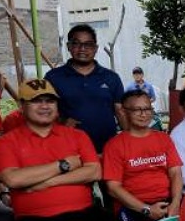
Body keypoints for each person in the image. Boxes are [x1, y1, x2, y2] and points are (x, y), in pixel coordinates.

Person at [0, 78, 126, 221]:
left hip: (84, 214)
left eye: (49, 101)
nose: (45, 106)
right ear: (21, 105)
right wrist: (63, 165)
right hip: (36, 220)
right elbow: (13, 179)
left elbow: (94, 172)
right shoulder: (5, 142)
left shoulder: (77, 135)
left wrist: (44, 182)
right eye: (36, 101)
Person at [102, 90, 182, 221]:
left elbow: (176, 173)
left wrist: (176, 202)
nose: (143, 114)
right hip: (133, 208)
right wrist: (146, 209)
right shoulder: (115, 145)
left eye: (147, 109)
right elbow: (113, 188)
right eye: (137, 110)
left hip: (167, 202)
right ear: (124, 112)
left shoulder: (163, 138)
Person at [45, 24, 127, 153]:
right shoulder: (54, 77)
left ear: (96, 48)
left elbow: (120, 111)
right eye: (76, 44)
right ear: (69, 47)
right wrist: (62, 122)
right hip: (69, 148)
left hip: (108, 148)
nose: (82, 49)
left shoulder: (111, 77)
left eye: (88, 44)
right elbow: (45, 109)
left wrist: (130, 140)